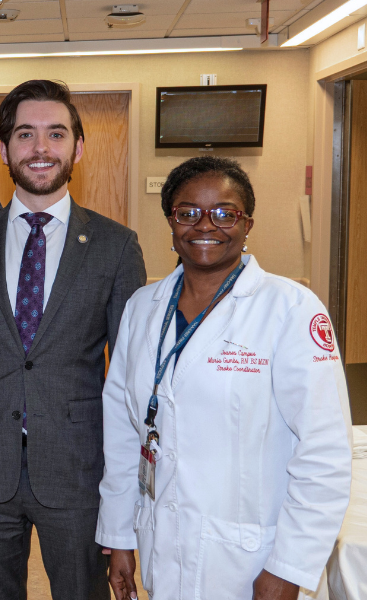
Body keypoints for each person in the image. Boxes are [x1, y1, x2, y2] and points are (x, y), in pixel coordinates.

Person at [0, 79, 146, 600]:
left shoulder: (116, 247)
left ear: (78, 148)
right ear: (5, 149)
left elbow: (132, 376)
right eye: (25, 134)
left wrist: (126, 493)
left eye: (56, 134)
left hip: (78, 470)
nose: (40, 148)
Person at [96, 157, 353, 600]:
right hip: (164, 542)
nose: (205, 225)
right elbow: (123, 432)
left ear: (247, 223)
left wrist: (289, 567)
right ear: (171, 222)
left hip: (253, 558)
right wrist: (120, 534)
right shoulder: (142, 308)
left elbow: (325, 452)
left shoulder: (291, 309)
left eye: (225, 213)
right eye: (188, 212)